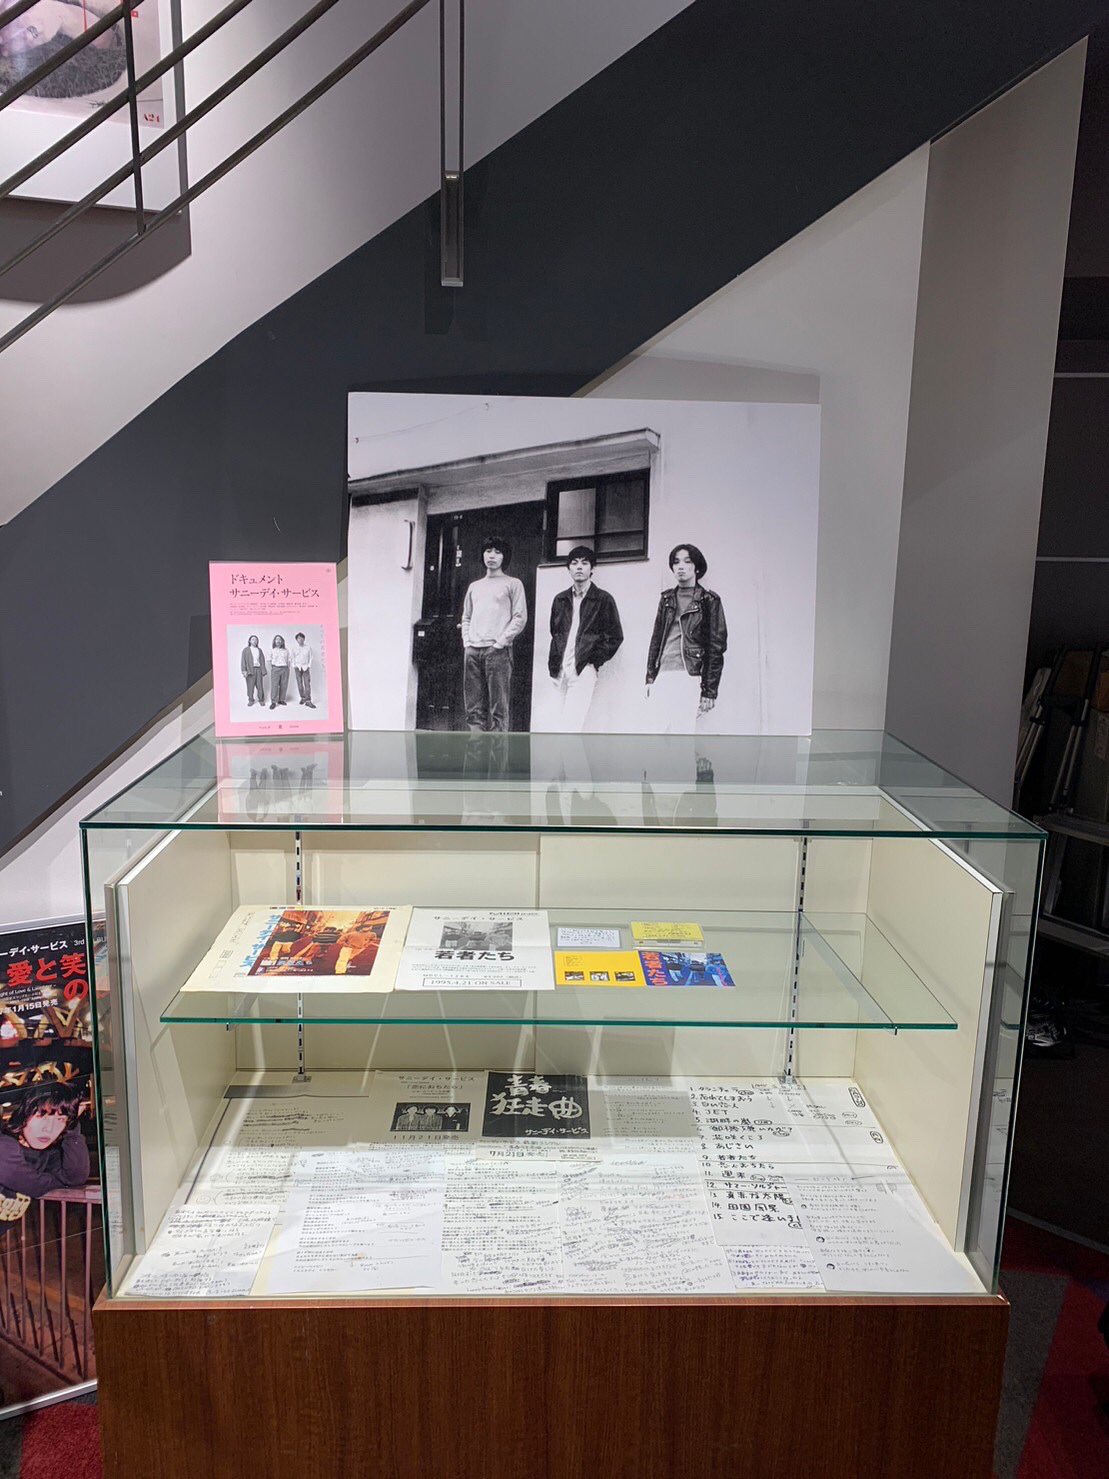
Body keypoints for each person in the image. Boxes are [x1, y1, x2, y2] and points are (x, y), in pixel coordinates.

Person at [645, 543, 728, 732]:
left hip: (689, 675)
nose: (680, 566)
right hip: (663, 674)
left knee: (681, 737)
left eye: (687, 561)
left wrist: (709, 691)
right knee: (654, 737)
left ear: (697, 567)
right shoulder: (666, 599)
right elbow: (656, 639)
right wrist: (650, 677)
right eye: (676, 562)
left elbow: (716, 647)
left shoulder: (708, 600)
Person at [548, 545, 624, 731]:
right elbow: (555, 633)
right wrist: (554, 663)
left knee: (570, 728)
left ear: (592, 568)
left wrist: (593, 660)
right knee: (556, 728)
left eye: (584, 563)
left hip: (582, 670)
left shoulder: (603, 599)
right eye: (574, 563)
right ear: (568, 568)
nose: (579, 567)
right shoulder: (560, 600)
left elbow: (615, 636)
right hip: (558, 670)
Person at [460, 536, 527, 732]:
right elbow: (466, 617)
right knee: (473, 709)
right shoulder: (475, 586)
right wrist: (467, 642)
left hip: (498, 652)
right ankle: (476, 750)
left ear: (504, 557)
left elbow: (519, 618)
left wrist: (499, 643)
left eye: (498, 552)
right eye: (488, 551)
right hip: (472, 651)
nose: (492, 556)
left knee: (499, 710)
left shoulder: (513, 583)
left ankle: (497, 752)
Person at [0, 1083, 89, 1200]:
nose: (49, 1128)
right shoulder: (4, 1145)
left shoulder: (47, 1155)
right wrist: (58, 1183)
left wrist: (72, 1128)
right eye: (40, 1116)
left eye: (60, 1119)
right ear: (23, 1116)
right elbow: (34, 1186)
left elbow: (75, 1177)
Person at [240, 635, 266, 707]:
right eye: (253, 639)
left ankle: (261, 700)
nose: (254, 641)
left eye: (256, 640)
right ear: (250, 641)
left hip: (258, 669)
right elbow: (243, 661)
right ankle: (251, 700)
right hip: (250, 670)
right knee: (250, 686)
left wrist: (263, 671)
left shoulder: (259, 650)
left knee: (260, 686)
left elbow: (262, 660)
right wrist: (244, 670)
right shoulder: (246, 650)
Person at [292, 632, 316, 708]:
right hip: (297, 667)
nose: (300, 639)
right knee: (299, 684)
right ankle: (303, 698)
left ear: (304, 639)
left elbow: (311, 657)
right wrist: (294, 666)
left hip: (305, 667)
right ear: (296, 640)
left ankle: (308, 700)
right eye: (298, 638)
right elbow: (292, 658)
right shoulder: (294, 648)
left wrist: (308, 666)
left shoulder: (308, 647)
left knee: (307, 684)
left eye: (301, 638)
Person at [268, 635, 291, 709]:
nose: (278, 641)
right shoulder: (272, 650)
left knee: (284, 685)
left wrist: (288, 668)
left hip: (285, 669)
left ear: (282, 641)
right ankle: (273, 702)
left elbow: (289, 660)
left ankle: (281, 700)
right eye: (277, 639)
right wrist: (272, 668)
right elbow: (269, 660)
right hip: (275, 668)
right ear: (274, 641)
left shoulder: (286, 650)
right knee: (274, 686)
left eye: (280, 639)